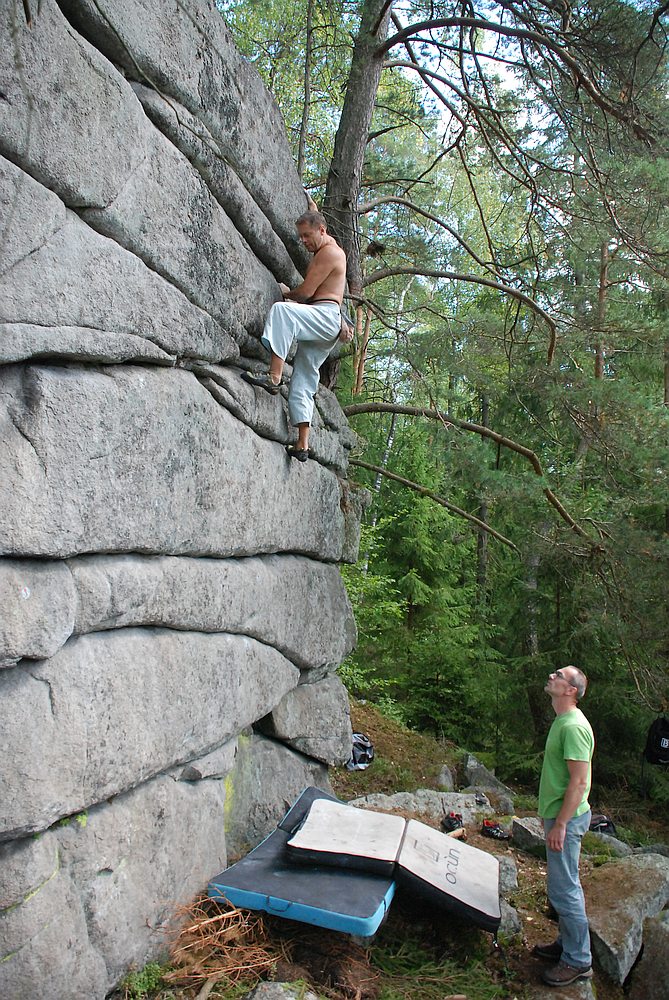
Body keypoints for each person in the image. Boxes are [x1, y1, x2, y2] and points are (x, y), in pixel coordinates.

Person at [242, 208, 353, 462]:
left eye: (306, 235)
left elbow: (306, 292)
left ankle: (274, 377)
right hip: (328, 323)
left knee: (283, 312)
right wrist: (309, 203)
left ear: (322, 231)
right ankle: (302, 444)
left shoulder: (329, 253)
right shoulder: (330, 245)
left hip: (324, 316)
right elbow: (316, 215)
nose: (302, 241)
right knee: (304, 378)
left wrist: (286, 291)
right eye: (300, 236)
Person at [532, 665, 595, 987]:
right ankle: (566, 944)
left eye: (558, 675)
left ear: (570, 690)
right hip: (559, 816)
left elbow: (579, 781)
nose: (552, 676)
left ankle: (578, 960)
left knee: (565, 889)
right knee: (561, 887)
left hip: (565, 820)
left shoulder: (573, 727)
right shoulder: (562, 721)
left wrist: (561, 824)